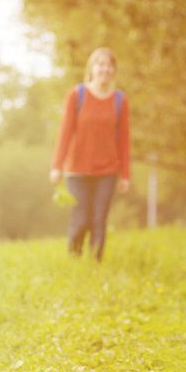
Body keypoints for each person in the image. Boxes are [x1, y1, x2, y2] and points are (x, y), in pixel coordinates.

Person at [50, 47, 131, 261]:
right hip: (77, 169)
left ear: (114, 71)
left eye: (109, 65)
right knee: (82, 218)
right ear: (92, 68)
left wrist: (125, 175)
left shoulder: (119, 100)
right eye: (100, 64)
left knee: (99, 219)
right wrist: (57, 166)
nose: (104, 69)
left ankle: (96, 264)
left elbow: (124, 140)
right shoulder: (77, 95)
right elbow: (65, 132)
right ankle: (74, 259)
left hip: (108, 169)